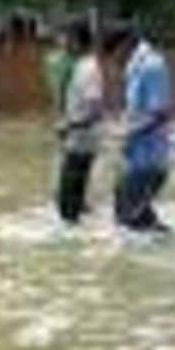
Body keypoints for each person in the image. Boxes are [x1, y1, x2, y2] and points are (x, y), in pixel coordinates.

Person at [106, 23, 174, 234]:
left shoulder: (152, 66)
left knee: (129, 222)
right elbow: (137, 110)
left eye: (114, 53)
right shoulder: (135, 67)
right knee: (129, 216)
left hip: (149, 161)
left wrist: (127, 132)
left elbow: (160, 113)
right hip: (136, 159)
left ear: (125, 45)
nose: (114, 59)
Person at [55, 21, 104, 225]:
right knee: (71, 200)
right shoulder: (82, 66)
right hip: (77, 141)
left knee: (67, 202)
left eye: (66, 38)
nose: (62, 43)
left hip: (82, 143)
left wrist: (69, 125)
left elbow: (95, 109)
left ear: (76, 41)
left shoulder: (89, 69)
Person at [42, 25, 74, 118]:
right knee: (58, 99)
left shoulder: (71, 56)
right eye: (62, 39)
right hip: (58, 81)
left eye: (66, 38)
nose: (65, 41)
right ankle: (58, 116)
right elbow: (50, 71)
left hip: (70, 83)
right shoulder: (52, 56)